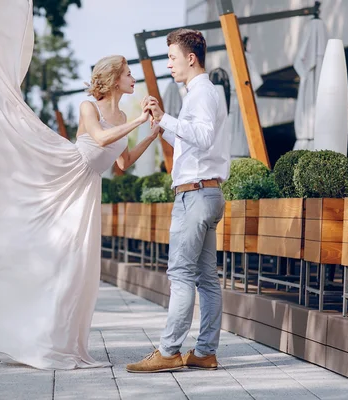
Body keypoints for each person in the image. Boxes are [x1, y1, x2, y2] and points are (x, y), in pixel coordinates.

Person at [0, 0, 158, 370]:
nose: (134, 79)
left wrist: (151, 132)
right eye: (130, 73)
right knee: (61, 261)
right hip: (67, 178)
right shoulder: (90, 108)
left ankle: (65, 341)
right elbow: (99, 140)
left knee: (82, 271)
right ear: (115, 78)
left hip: (88, 192)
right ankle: (43, 340)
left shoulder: (122, 115)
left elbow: (121, 163)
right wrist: (136, 124)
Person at [126, 28, 229, 373]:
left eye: (171, 57)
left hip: (195, 195)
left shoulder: (201, 93)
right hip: (208, 191)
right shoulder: (202, 93)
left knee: (181, 275)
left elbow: (200, 136)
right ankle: (204, 352)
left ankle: (169, 351)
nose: (168, 64)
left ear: (190, 57)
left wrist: (168, 118)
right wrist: (163, 122)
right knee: (206, 279)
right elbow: (193, 143)